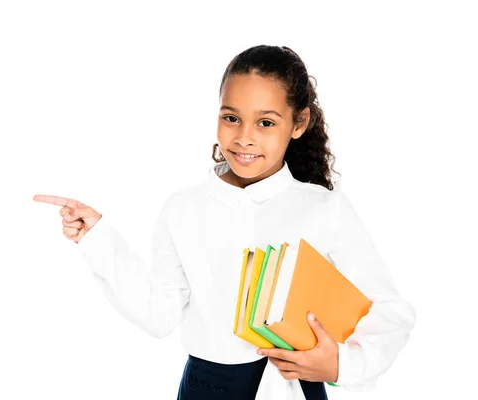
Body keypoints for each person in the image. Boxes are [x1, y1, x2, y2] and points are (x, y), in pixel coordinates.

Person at [33, 45, 416, 400]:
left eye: (266, 123)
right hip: (205, 389)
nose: (244, 138)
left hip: (291, 388)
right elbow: (159, 315)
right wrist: (98, 238)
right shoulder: (183, 208)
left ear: (298, 123)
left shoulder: (324, 208)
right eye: (231, 118)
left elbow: (389, 311)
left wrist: (342, 364)